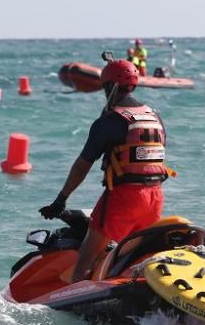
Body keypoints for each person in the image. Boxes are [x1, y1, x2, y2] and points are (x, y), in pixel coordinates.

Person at [39, 59, 174, 283]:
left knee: (86, 259)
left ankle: (78, 308)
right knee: (134, 258)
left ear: (109, 87)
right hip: (154, 198)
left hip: (124, 199)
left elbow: (83, 164)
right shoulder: (155, 117)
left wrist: (61, 199)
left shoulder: (110, 122)